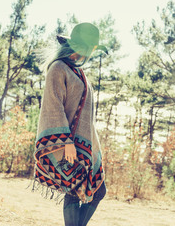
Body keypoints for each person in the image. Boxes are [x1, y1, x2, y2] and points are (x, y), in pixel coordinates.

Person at [33, 22, 107, 226]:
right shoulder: (58, 68)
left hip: (85, 143)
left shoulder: (78, 72)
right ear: (83, 47)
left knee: (98, 190)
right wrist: (65, 141)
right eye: (92, 47)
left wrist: (94, 146)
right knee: (74, 190)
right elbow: (53, 105)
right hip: (68, 143)